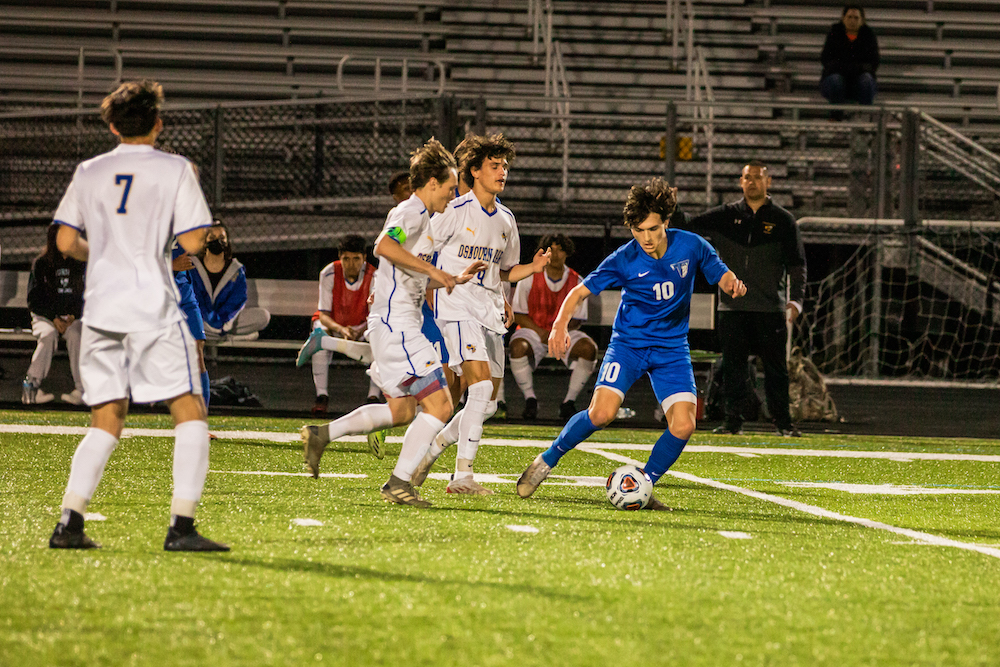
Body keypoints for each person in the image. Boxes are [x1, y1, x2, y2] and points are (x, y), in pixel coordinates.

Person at [47, 79, 227, 551]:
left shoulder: (89, 170)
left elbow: (65, 242)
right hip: (153, 307)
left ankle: (69, 523)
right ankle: (181, 527)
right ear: (158, 123)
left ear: (111, 125)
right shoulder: (175, 169)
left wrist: (104, 250)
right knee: (189, 410)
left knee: (106, 418)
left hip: (103, 308)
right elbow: (192, 243)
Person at [516, 177, 747, 506]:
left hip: (671, 349)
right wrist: (559, 325)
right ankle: (546, 460)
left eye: (653, 229)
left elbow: (719, 271)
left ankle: (645, 482)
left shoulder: (692, 245)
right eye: (638, 231)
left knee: (684, 424)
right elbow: (579, 292)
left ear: (666, 221)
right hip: (629, 346)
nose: (646, 238)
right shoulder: (624, 259)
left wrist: (731, 283)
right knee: (601, 414)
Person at [299, 138, 485, 507]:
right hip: (398, 325)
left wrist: (452, 278)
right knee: (442, 407)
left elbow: (407, 269)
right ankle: (398, 483)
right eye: (449, 189)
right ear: (432, 183)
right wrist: (435, 270)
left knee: (401, 411)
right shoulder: (411, 212)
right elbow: (383, 246)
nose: (450, 197)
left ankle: (322, 433)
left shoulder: (421, 218)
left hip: (395, 323)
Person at [409, 132, 550, 495]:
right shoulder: (453, 211)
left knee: (485, 405)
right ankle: (462, 477)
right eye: (494, 166)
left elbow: (502, 270)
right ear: (474, 171)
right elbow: (422, 253)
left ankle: (431, 450)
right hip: (456, 308)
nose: (502, 172)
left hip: (488, 311)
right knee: (481, 387)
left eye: (505, 166)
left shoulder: (506, 218)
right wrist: (423, 289)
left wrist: (530, 271)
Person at [681, 161, 807, 436]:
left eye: (758, 178)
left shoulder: (784, 220)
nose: (752, 182)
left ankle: (783, 423)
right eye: (747, 177)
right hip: (732, 307)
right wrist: (670, 207)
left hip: (769, 307)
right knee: (733, 368)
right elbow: (688, 225)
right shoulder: (725, 215)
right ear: (741, 182)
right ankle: (732, 422)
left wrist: (795, 300)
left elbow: (797, 263)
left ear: (768, 182)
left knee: (776, 370)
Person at [509, 233, 597, 422]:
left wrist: (558, 332)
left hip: (564, 332)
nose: (556, 255)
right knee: (517, 347)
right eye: (552, 250)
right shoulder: (530, 277)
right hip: (534, 330)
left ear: (567, 253)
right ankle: (530, 399)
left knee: (589, 350)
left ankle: (568, 402)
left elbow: (578, 318)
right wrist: (541, 332)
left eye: (560, 250)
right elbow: (519, 314)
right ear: (544, 253)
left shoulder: (577, 280)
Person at [300, 234, 380, 415]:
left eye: (356, 259)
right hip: (336, 328)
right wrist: (341, 329)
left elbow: (375, 313)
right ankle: (322, 396)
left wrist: (359, 330)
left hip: (362, 328)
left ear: (364, 258)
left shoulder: (375, 276)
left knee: (379, 333)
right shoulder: (328, 273)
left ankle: (373, 397)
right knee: (319, 329)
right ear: (340, 257)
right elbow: (324, 314)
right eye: (346, 259)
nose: (351, 264)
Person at [23, 223, 86, 405]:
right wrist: (54, 318)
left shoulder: (80, 263)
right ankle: (32, 387)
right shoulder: (41, 263)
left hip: (71, 318)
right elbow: (34, 300)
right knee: (48, 335)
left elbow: (86, 295)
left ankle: (81, 391)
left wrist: (73, 315)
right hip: (46, 317)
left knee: (76, 335)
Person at [189, 220, 271, 341]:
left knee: (263, 316)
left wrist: (223, 324)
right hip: (202, 319)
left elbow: (236, 301)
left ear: (227, 241)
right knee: (184, 318)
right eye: (212, 237)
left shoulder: (236, 270)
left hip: (226, 324)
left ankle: (215, 335)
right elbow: (195, 299)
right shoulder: (192, 267)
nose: (217, 241)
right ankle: (227, 337)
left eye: (222, 237)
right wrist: (212, 323)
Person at [820, 5, 879, 113]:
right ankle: (835, 119)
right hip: (834, 82)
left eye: (856, 18)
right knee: (836, 80)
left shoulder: (869, 35)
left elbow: (874, 63)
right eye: (849, 17)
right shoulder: (834, 33)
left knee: (867, 80)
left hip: (858, 83)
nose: (852, 21)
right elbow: (826, 60)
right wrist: (855, 68)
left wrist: (843, 67)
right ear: (843, 18)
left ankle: (865, 120)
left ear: (862, 20)